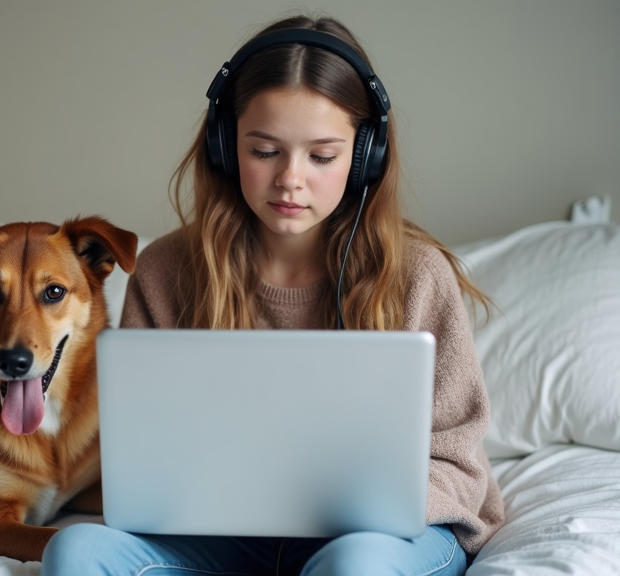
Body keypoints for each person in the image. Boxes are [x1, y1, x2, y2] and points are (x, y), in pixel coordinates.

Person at [41, 13, 505, 576]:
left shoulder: (417, 275)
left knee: (355, 566)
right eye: (264, 151)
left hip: (379, 536)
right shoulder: (164, 270)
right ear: (224, 144)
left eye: (322, 156)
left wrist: (360, 505)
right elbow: (144, 457)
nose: (291, 178)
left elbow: (455, 457)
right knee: (75, 549)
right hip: (226, 536)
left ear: (365, 158)